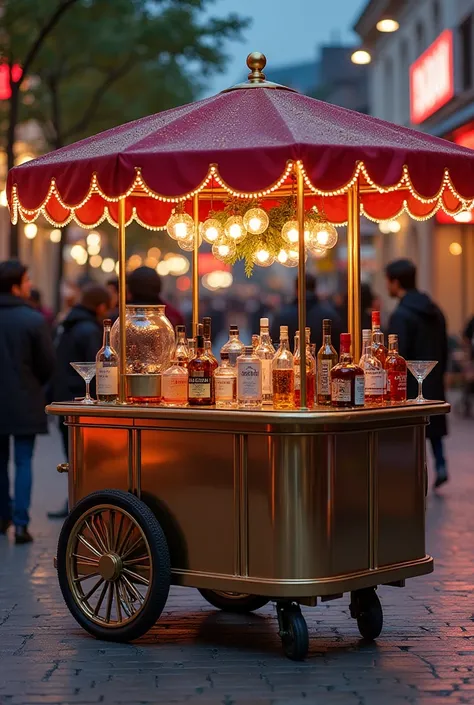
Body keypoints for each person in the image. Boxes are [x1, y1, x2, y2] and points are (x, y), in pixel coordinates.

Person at [0, 260, 55, 543]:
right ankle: (21, 524)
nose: (30, 285)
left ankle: (2, 516)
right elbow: (47, 364)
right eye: (26, 280)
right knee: (24, 461)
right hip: (24, 399)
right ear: (15, 286)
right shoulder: (33, 319)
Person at [48, 283, 111, 519]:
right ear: (101, 306)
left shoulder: (67, 324)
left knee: (71, 455)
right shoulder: (89, 330)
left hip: (64, 397)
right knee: (82, 458)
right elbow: (99, 368)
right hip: (81, 400)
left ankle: (74, 501)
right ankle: (80, 504)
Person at [386, 259, 448, 489]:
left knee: (415, 430)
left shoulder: (402, 315)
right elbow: (444, 346)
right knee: (434, 427)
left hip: (410, 383)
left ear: (395, 282)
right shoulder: (434, 309)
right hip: (434, 377)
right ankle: (441, 465)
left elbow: (396, 356)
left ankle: (417, 474)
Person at [270, 274, 343, 352]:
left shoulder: (282, 315)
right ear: (315, 288)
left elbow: (274, 346)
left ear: (296, 289)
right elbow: (338, 346)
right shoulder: (330, 315)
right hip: (323, 363)